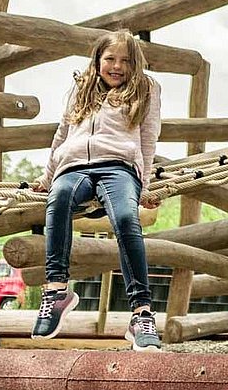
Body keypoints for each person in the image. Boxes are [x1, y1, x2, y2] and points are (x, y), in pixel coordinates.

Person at [30, 29, 163, 349]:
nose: (116, 66)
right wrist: (47, 178)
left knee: (126, 219)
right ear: (98, 60)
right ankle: (56, 291)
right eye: (110, 59)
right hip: (73, 166)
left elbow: (148, 137)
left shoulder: (145, 89)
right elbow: (62, 133)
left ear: (135, 65)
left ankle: (141, 314)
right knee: (58, 199)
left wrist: (144, 184)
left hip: (118, 167)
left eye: (125, 61)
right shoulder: (82, 87)